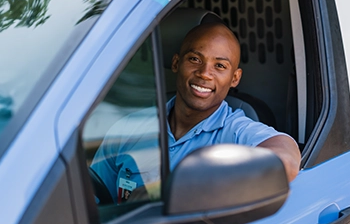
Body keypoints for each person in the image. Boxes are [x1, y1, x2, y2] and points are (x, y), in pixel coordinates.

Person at [91, 22, 301, 204]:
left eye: (219, 65)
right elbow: (95, 198)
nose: (204, 73)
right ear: (176, 63)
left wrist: (180, 190)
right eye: (194, 59)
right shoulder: (128, 128)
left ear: (235, 78)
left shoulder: (234, 131)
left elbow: (287, 162)